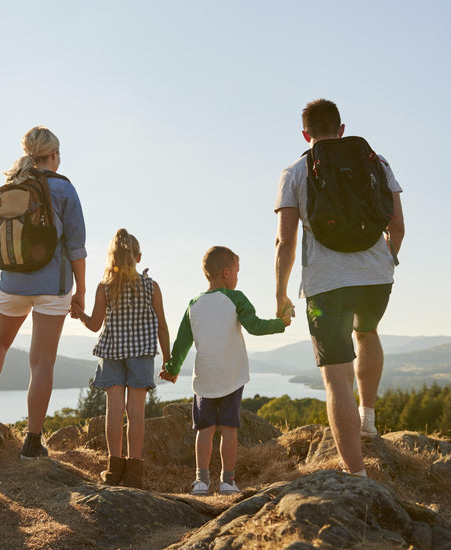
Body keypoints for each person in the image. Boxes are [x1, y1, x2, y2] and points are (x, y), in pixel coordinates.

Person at [274, 99, 405, 477]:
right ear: (342, 129)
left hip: (325, 284)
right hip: (377, 278)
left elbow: (286, 242)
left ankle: (357, 475)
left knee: (335, 378)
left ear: (305, 134)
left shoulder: (295, 171)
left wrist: (281, 292)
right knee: (366, 333)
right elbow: (396, 226)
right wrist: (386, 259)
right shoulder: (377, 163)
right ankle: (368, 417)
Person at [0, 126, 87, 460]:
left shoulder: (12, 185)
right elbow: (76, 248)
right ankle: (32, 442)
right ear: (54, 155)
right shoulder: (64, 188)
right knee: (42, 362)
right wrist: (80, 292)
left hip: (12, 282)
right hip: (52, 286)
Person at [161, 246, 290, 495]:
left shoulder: (193, 305)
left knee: (205, 431)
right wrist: (281, 324)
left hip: (205, 379)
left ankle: (201, 481)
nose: (238, 278)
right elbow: (254, 326)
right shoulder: (236, 298)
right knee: (229, 430)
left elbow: (182, 343)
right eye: (238, 272)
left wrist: (173, 368)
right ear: (227, 272)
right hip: (232, 376)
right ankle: (228, 481)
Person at [70, 229, 171, 489]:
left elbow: (94, 325)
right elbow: (162, 326)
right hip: (141, 354)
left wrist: (79, 314)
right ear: (138, 256)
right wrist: (168, 360)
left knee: (113, 411)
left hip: (112, 352)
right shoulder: (152, 286)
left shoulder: (105, 287)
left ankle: (113, 469)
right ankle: (135, 472)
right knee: (136, 413)